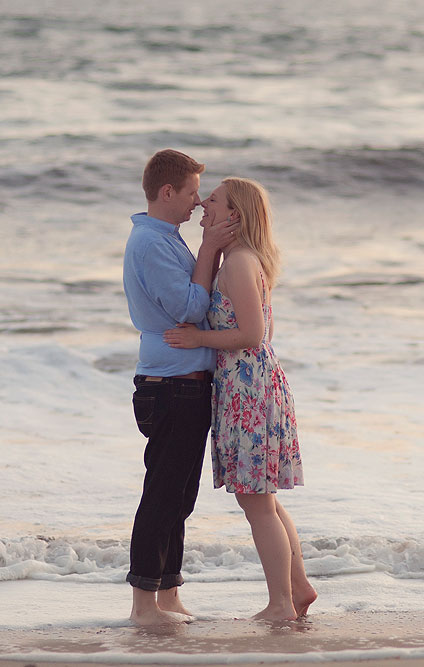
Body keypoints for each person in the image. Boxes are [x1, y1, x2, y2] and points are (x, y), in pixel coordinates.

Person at [163, 177, 317, 621]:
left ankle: (282, 605)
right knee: (261, 498)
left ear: (235, 215)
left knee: (256, 500)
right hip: (248, 385)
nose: (203, 205)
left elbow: (250, 334)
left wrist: (197, 339)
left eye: (213, 201)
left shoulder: (240, 263)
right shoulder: (236, 259)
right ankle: (298, 589)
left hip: (249, 387)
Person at [122, 149, 237, 627]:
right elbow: (188, 308)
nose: (196, 202)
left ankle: (168, 595)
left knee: (180, 495)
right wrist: (211, 249)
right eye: (191, 192)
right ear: (167, 192)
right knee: (163, 494)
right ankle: (142, 605)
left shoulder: (166, 239)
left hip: (183, 384)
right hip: (169, 387)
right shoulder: (151, 243)